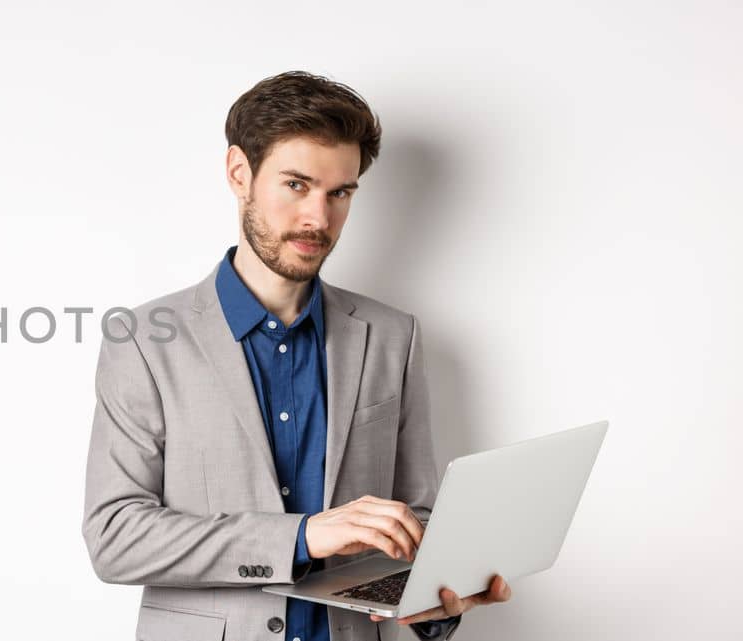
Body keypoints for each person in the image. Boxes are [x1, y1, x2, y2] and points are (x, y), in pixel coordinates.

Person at [81, 71, 511, 641]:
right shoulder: (144, 339)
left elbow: (415, 520)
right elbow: (116, 537)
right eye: (296, 185)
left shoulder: (392, 336)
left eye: (340, 193)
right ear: (240, 173)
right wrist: (302, 537)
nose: (319, 218)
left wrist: (434, 596)